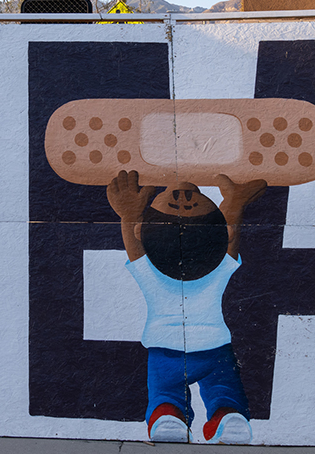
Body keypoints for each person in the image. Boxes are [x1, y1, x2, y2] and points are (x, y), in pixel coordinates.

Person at [106, 169, 267, 444]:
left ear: (142, 230)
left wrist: (129, 212)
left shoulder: (150, 273)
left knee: (165, 394)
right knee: (224, 390)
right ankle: (228, 417)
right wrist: (234, 205)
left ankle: (167, 416)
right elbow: (230, 237)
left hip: (165, 350)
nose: (182, 191)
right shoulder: (217, 270)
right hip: (214, 347)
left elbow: (134, 246)